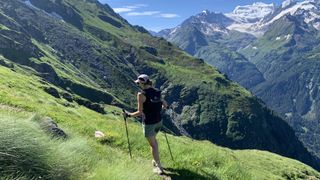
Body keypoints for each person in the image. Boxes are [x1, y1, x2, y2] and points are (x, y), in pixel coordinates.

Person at [124, 74, 168, 175]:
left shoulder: (141, 94)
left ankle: (159, 167)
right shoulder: (156, 91)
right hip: (159, 122)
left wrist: (128, 115)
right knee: (154, 142)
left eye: (138, 83)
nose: (138, 84)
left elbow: (139, 112)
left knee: (153, 145)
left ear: (142, 83)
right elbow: (165, 105)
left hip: (149, 123)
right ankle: (155, 160)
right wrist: (158, 109)